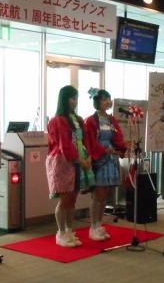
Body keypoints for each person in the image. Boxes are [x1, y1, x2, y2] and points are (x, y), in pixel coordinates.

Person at [46, 86, 94, 248]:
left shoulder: (78, 119)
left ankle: (69, 230)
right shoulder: (57, 120)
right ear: (64, 99)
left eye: (76, 98)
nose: (75, 101)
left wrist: (88, 157)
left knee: (73, 198)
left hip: (78, 160)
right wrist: (80, 160)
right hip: (63, 162)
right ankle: (60, 233)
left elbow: (85, 140)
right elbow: (64, 145)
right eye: (72, 98)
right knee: (65, 198)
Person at [84, 89, 127, 241]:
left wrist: (122, 148)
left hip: (110, 158)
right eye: (104, 99)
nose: (108, 101)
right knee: (98, 194)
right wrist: (103, 150)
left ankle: (99, 225)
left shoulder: (111, 119)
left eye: (109, 98)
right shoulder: (90, 120)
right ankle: (93, 227)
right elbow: (89, 142)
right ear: (97, 102)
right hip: (99, 159)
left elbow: (118, 137)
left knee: (105, 195)